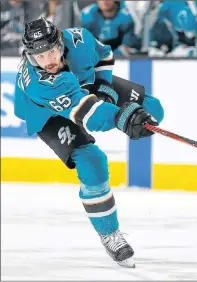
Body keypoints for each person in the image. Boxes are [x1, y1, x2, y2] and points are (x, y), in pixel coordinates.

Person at [14, 17, 164, 268]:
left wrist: (105, 88)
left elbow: (104, 55)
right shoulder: (40, 85)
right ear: (30, 57)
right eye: (39, 57)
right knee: (92, 162)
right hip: (46, 113)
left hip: (82, 86)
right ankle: (109, 234)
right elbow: (86, 113)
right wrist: (120, 117)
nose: (48, 61)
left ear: (61, 44)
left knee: (152, 108)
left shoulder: (79, 39)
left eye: (51, 51)